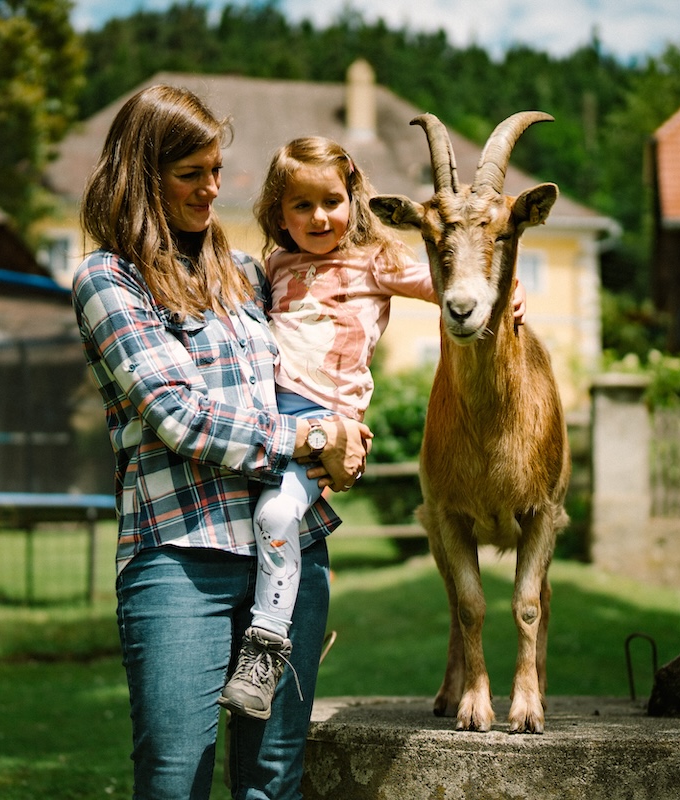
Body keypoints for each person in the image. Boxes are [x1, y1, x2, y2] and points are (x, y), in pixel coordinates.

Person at [71, 86, 370, 800]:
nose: (213, 188)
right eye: (190, 174)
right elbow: (179, 416)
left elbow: (332, 327)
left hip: (289, 553)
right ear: (142, 176)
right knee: (177, 777)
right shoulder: (108, 280)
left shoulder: (246, 276)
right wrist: (310, 434)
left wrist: (344, 435)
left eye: (216, 169)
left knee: (272, 779)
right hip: (180, 557)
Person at [217, 136, 525, 719]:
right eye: (301, 206)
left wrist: (506, 290)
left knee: (276, 516)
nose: (318, 217)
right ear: (277, 212)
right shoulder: (276, 267)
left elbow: (451, 287)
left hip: (323, 422)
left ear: (354, 199)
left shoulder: (374, 261)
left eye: (331, 201)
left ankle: (264, 653)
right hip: (266, 421)